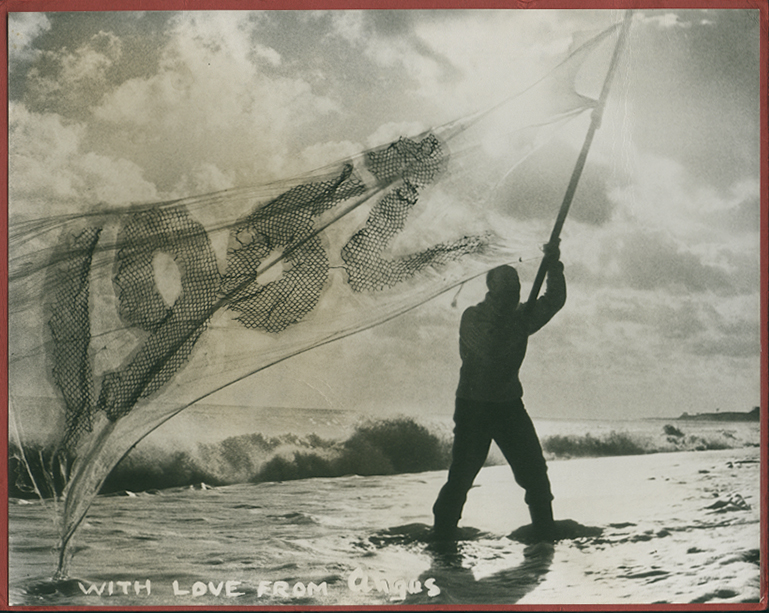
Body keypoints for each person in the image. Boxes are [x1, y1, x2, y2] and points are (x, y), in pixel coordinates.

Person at [432, 241, 566, 543]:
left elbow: (554, 299)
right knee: (461, 478)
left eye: (517, 290)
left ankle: (545, 534)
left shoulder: (521, 317)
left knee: (535, 474)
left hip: (508, 405)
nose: (514, 295)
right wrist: (518, 321)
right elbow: (490, 349)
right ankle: (442, 534)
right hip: (474, 407)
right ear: (493, 292)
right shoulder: (473, 317)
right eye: (508, 291)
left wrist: (554, 265)